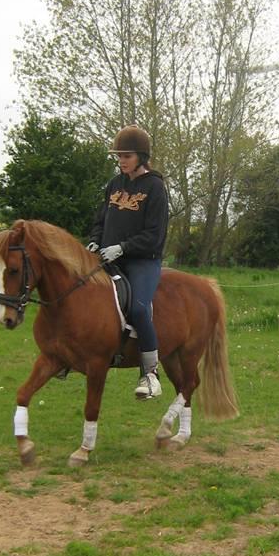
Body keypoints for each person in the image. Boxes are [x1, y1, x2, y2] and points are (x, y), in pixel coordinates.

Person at [87, 125, 169, 399]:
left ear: (141, 157)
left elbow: (154, 236)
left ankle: (150, 375)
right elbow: (101, 220)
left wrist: (122, 248)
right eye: (119, 156)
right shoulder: (114, 184)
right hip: (108, 258)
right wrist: (95, 241)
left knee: (138, 309)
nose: (121, 160)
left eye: (127, 155)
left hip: (142, 262)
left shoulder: (155, 187)